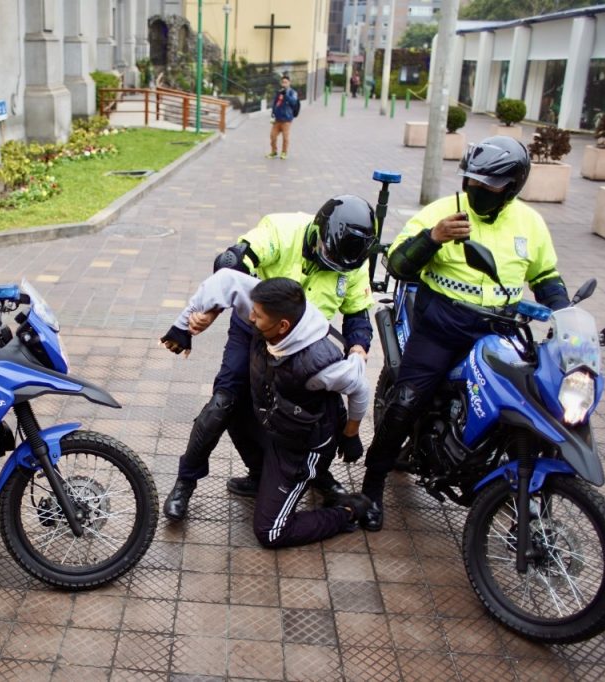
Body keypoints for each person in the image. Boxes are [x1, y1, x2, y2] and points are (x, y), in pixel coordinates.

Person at [357, 136, 571, 532]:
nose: (476, 191)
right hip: (442, 328)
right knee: (406, 400)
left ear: (512, 187)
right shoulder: (442, 212)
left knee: (532, 400)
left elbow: (546, 277)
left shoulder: (530, 223)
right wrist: (432, 238)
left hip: (501, 331)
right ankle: (372, 485)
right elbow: (399, 264)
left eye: (488, 186)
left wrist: (567, 316)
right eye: (472, 182)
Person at [160, 195, 377, 521]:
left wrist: (358, 350)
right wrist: (211, 310)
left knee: (323, 414)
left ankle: (316, 477)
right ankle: (185, 483)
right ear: (318, 231)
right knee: (225, 404)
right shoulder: (282, 228)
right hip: (254, 330)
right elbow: (231, 264)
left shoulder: (354, 263)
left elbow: (358, 316)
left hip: (303, 347)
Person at [168, 273, 373, 547]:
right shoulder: (269, 307)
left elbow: (360, 386)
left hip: (301, 445)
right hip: (277, 421)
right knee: (228, 405)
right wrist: (185, 324)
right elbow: (226, 279)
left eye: (258, 316)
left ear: (282, 326)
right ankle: (260, 477)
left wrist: (351, 433)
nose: (250, 318)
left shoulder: (320, 364)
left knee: (271, 533)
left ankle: (348, 511)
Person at [268, 75, 299, 159]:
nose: (284, 84)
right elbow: (275, 104)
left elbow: (293, 102)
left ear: (289, 83)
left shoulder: (293, 92)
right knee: (272, 136)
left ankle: (284, 153)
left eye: (286, 82)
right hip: (277, 119)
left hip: (286, 119)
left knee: (285, 138)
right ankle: (274, 152)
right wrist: (272, 114)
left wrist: (286, 95)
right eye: (283, 82)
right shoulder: (279, 92)